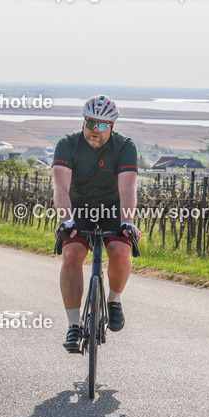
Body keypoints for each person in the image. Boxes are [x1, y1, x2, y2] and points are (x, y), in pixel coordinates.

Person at [52, 95, 141, 353]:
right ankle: (73, 325)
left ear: (112, 127)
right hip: (78, 207)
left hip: (113, 208)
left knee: (121, 251)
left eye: (103, 125)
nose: (95, 130)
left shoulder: (124, 147)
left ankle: (114, 300)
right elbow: (60, 187)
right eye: (91, 123)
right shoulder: (67, 144)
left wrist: (127, 222)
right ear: (84, 121)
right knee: (72, 254)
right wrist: (67, 220)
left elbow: (127, 188)